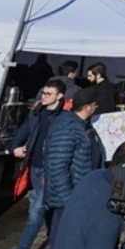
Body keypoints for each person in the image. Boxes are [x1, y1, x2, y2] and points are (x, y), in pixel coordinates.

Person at [1, 79, 66, 249]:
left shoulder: (65, 118)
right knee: (48, 211)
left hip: (52, 172)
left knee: (36, 215)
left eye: (48, 94)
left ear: (59, 96)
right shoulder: (37, 112)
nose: (43, 96)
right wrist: (14, 147)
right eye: (43, 92)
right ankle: (52, 246)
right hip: (36, 170)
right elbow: (23, 130)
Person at [44, 87, 104, 239]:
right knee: (63, 240)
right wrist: (69, 200)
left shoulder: (83, 124)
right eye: (95, 104)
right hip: (69, 201)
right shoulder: (67, 127)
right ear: (86, 107)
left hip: (82, 195)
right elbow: (57, 167)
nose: (97, 107)